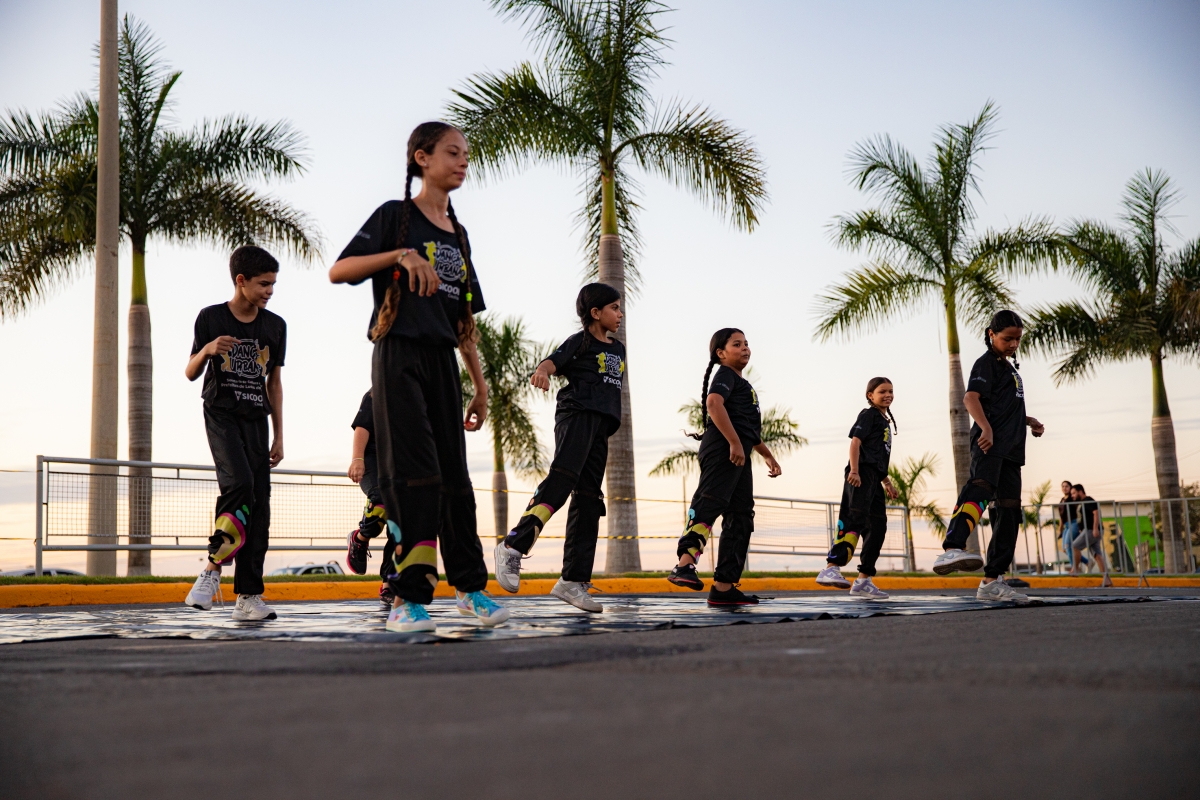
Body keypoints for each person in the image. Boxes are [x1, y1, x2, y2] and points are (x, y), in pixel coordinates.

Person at [329, 121, 508, 633]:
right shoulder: (396, 216)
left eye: (466, 154)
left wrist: (479, 385)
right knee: (414, 476)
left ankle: (470, 589)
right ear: (422, 158)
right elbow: (340, 270)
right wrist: (400, 255)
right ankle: (407, 599)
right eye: (453, 152)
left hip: (442, 361)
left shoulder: (459, 234)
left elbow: (464, 320)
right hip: (397, 355)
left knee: (455, 478)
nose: (463, 161)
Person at [493, 283, 625, 612]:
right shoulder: (580, 341)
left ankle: (572, 580)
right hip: (577, 416)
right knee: (562, 480)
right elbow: (552, 362)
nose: (620, 314)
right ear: (596, 313)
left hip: (602, 425)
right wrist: (542, 372)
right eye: (614, 308)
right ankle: (513, 546)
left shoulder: (619, 349)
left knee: (590, 499)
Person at [183, 246, 286, 621]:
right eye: (263, 284)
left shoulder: (275, 326)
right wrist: (208, 350)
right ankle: (212, 570)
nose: (269, 291)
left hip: (257, 419)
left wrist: (279, 435)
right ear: (241, 281)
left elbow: (274, 383)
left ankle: (248, 597)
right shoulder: (211, 317)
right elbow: (190, 372)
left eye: (273, 284)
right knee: (239, 484)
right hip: (221, 414)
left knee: (259, 505)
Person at [932, 310, 1045, 603]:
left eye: (1018, 339)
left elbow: (1005, 408)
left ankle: (992, 580)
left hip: (1011, 450)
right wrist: (985, 428)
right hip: (989, 443)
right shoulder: (986, 363)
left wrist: (1029, 421)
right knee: (980, 488)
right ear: (992, 335)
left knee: (1009, 510)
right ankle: (952, 548)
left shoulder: (1008, 369)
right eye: (1008, 339)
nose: (1013, 344)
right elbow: (970, 398)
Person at [666, 328, 782, 606]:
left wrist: (767, 456)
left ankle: (724, 587)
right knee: (710, 501)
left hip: (739, 453)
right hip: (723, 449)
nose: (745, 348)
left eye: (746, 343)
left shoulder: (742, 383)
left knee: (741, 516)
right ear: (721, 353)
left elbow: (748, 429)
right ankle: (684, 565)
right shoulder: (726, 374)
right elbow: (713, 403)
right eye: (737, 344)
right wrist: (733, 442)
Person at [815, 377, 899, 599]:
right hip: (860, 474)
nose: (888, 395)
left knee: (878, 527)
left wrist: (887, 482)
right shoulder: (868, 415)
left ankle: (863, 581)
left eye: (891, 391)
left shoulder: (884, 421)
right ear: (870, 395)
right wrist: (854, 470)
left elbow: (876, 457)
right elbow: (855, 442)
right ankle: (831, 567)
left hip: (874, 478)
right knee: (854, 518)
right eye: (882, 391)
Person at [344, 389, 399, 606]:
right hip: (373, 459)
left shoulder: (417, 394)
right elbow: (362, 426)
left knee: (400, 524)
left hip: (400, 464)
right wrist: (357, 459)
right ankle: (360, 539)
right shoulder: (377, 391)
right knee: (380, 500)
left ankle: (389, 584)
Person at [1070, 484, 1113, 587]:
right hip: (1090, 530)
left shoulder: (1088, 500)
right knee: (1097, 555)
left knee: (1075, 546)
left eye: (1074, 493)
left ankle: (1075, 570)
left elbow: (1096, 513)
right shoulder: (1082, 503)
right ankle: (1107, 580)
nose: (1073, 496)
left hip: (1091, 530)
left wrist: (1095, 528)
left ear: (1080, 491)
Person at [1056, 479, 1086, 569]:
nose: (1064, 488)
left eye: (1067, 486)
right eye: (1063, 486)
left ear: (1070, 488)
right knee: (1065, 549)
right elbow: (1061, 517)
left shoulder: (1072, 499)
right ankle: (1087, 562)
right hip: (1066, 525)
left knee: (1068, 546)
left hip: (1074, 523)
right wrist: (1060, 529)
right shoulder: (1062, 500)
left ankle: (1074, 568)